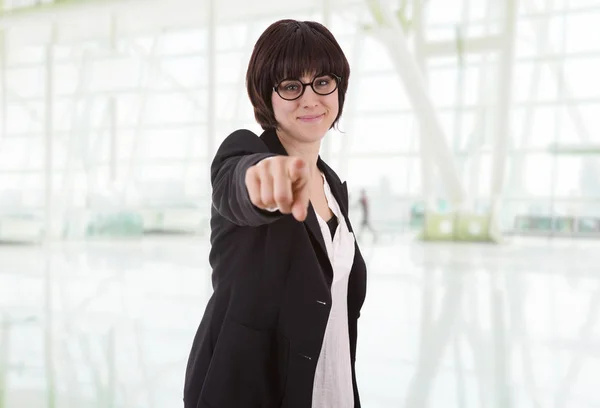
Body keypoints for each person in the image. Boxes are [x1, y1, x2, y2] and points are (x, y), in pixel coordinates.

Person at [183, 19, 367, 408]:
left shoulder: (332, 187)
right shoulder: (247, 154)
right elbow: (236, 183)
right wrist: (261, 179)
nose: (310, 99)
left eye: (323, 82)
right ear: (266, 96)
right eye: (290, 86)